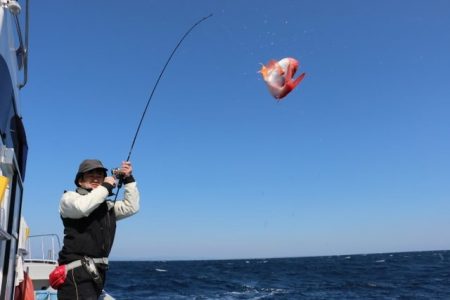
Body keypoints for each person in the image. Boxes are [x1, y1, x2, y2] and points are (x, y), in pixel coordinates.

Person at [56, 159, 140, 300]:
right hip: (76, 273)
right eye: (90, 175)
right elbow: (83, 207)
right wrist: (106, 186)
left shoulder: (106, 207)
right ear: (80, 181)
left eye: (100, 176)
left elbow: (132, 207)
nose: (96, 178)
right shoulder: (69, 198)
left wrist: (128, 179)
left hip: (97, 274)